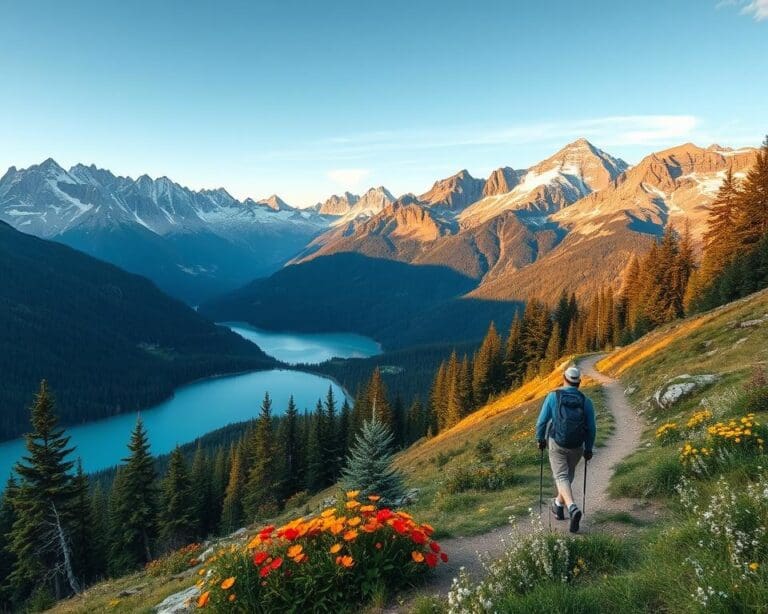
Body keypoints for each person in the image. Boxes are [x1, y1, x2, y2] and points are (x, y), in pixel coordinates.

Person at [535, 365, 596, 533]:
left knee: (561, 476)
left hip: (557, 443)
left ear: (564, 378)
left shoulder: (553, 396)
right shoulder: (586, 401)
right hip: (577, 445)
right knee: (567, 476)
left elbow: (541, 421)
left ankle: (572, 507)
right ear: (579, 383)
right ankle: (558, 505)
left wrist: (540, 439)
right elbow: (591, 428)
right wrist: (588, 449)